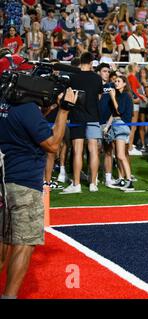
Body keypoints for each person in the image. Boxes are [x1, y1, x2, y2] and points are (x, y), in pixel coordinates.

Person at [0, 85, 78, 299]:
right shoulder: (25, 107)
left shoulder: (5, 103)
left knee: (3, 239)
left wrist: (43, 112)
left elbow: (19, 128)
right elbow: (52, 144)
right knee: (23, 243)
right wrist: (64, 110)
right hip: (24, 181)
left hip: (4, 178)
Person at [62, 52, 103, 194]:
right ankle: (93, 183)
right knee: (93, 151)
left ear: (81, 62)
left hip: (77, 117)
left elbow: (69, 97)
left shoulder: (73, 78)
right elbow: (99, 97)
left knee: (77, 151)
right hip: (93, 116)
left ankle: (77, 184)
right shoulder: (97, 78)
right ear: (91, 62)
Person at [107, 75, 134, 191]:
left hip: (122, 126)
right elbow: (114, 114)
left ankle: (129, 181)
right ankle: (122, 179)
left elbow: (120, 111)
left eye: (118, 81)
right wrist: (107, 127)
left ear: (124, 84)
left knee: (121, 155)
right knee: (118, 155)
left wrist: (113, 98)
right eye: (115, 81)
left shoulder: (125, 96)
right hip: (117, 125)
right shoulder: (120, 96)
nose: (116, 83)